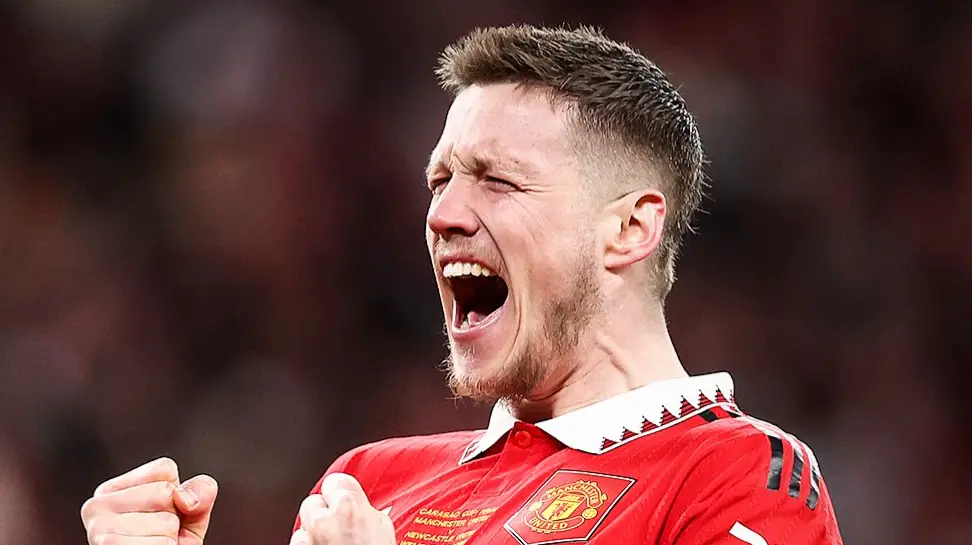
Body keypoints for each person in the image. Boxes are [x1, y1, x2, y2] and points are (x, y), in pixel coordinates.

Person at [80, 24, 844, 545]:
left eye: (498, 181)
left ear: (629, 229)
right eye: (439, 180)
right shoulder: (368, 482)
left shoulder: (737, 475)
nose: (442, 214)